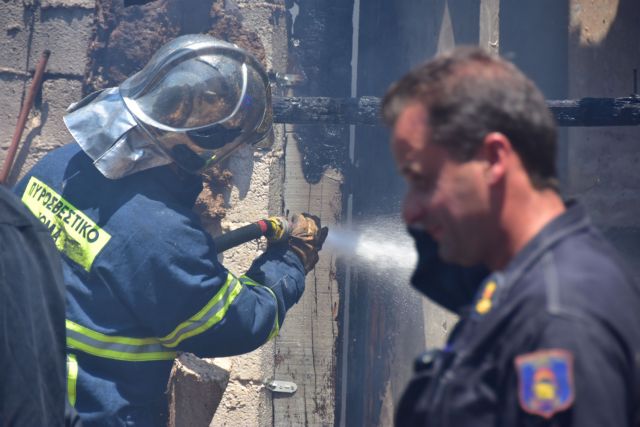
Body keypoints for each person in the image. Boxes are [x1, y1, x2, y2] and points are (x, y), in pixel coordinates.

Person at [13, 34, 327, 427]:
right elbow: (235, 323)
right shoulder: (161, 235)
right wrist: (290, 261)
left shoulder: (60, 166)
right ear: (205, 142)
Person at [382, 46, 640, 426]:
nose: (410, 210)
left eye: (423, 179)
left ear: (493, 159)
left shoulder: (558, 321)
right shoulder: (522, 283)